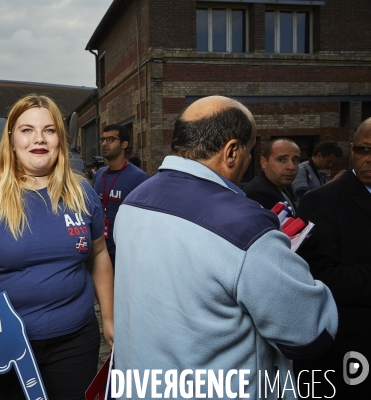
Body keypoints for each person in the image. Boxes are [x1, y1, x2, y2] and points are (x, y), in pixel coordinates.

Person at [113, 96, 338, 397]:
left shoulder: (133, 201)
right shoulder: (247, 228)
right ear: (232, 151)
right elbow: (310, 331)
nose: (248, 159)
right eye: (250, 148)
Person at [0, 94, 114, 400]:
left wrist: (110, 319)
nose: (39, 139)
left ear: (60, 138)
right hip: (4, 342)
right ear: (11, 139)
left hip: (74, 339)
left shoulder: (82, 191)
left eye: (49, 130)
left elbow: (99, 254)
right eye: (27, 130)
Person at [293, 118, 371, 398]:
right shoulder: (321, 202)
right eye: (364, 150)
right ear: (352, 150)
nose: (369, 159)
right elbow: (318, 278)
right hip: (346, 352)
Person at [93, 124, 148, 268]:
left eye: (111, 139)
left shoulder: (139, 178)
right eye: (103, 139)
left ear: (124, 144)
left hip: (123, 254)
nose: (105, 144)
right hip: (98, 249)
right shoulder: (99, 174)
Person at [244, 138, 300, 216]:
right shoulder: (258, 194)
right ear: (264, 162)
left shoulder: (284, 184)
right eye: (282, 160)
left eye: (295, 160)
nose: (291, 167)